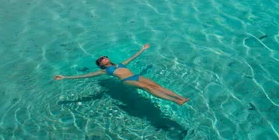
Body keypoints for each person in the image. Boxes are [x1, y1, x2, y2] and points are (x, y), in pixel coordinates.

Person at [53, 43, 189, 105]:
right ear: (100, 64)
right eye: (101, 59)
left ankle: (180, 97)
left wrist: (142, 49)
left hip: (136, 75)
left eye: (104, 57)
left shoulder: (120, 64)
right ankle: (174, 100)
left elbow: (133, 57)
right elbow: (84, 76)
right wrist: (65, 77)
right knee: (147, 88)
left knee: (157, 86)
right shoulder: (104, 71)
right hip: (127, 80)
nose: (104, 58)